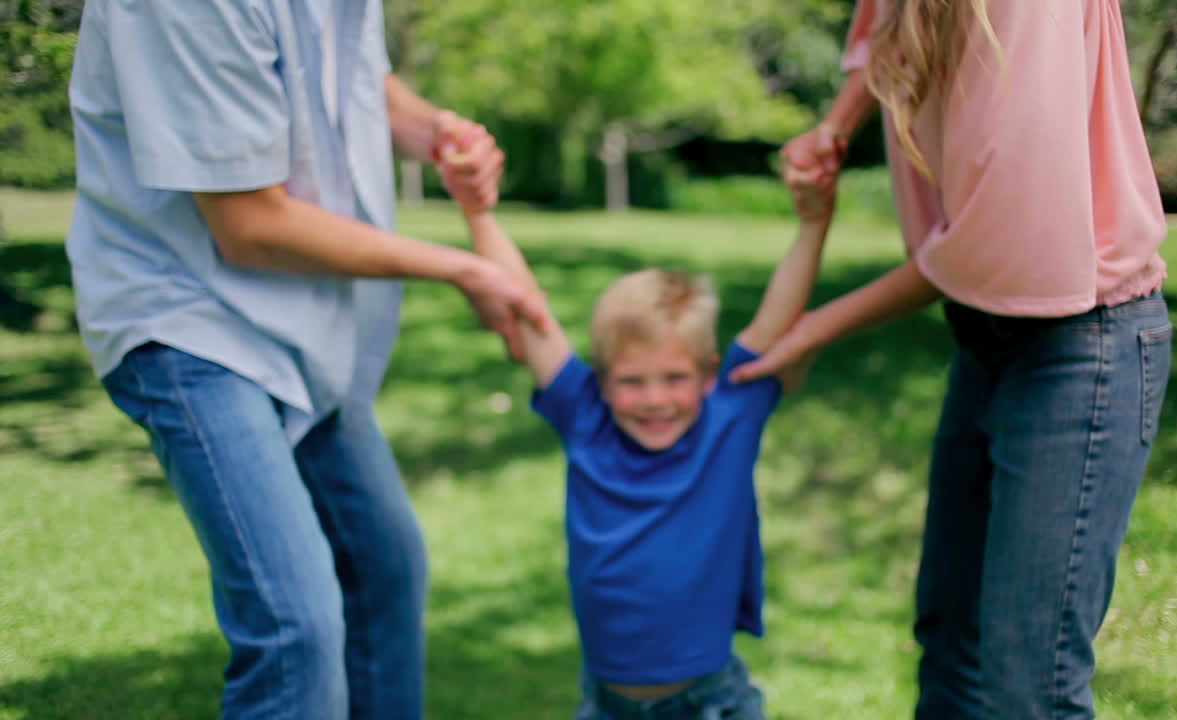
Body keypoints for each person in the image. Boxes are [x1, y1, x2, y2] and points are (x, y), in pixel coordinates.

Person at [65, 2, 544, 718]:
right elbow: (249, 226)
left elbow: (355, 74)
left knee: (384, 570)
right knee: (297, 628)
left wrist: (435, 132)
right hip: (190, 318)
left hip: (299, 322)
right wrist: (462, 268)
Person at [732, 1, 1174, 718]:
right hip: (985, 334)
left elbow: (998, 236)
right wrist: (834, 127)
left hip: (1080, 343)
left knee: (1027, 683)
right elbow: (885, 28)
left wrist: (815, 328)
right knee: (951, 649)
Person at [449, 144, 835, 719]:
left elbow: (776, 318)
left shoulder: (729, 417)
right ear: (601, 383)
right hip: (607, 704)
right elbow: (530, 313)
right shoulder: (586, 417)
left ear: (708, 375)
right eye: (632, 381)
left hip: (711, 703)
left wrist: (813, 223)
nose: (655, 400)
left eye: (674, 378)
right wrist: (479, 214)